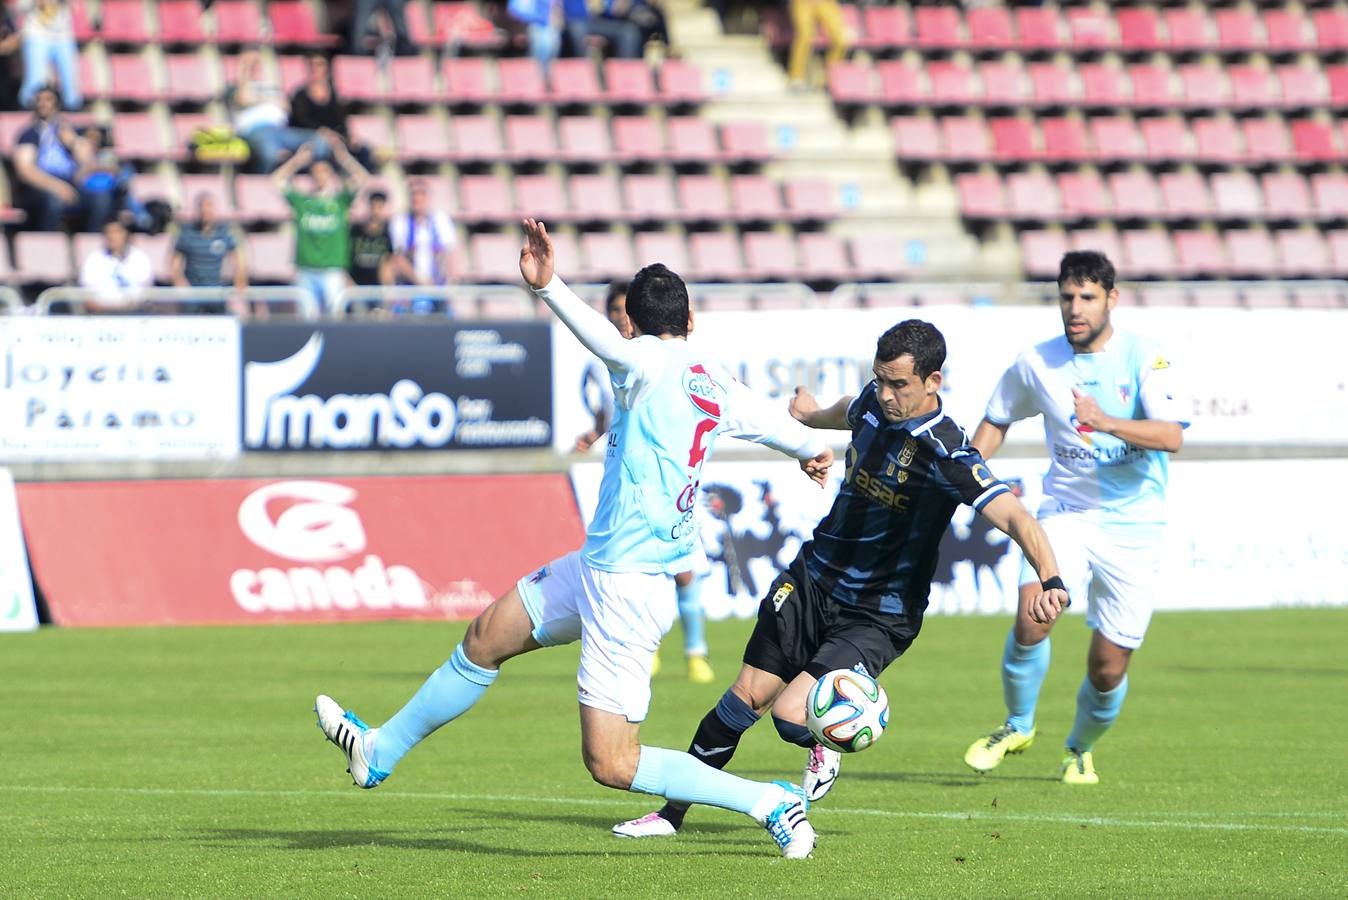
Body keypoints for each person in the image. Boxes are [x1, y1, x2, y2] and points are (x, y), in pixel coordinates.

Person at [314, 218, 835, 859]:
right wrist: (811, 452)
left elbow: (607, 345)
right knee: (484, 638)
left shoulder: (641, 358)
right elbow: (787, 431)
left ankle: (768, 801)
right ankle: (378, 751)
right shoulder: (715, 379)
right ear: (690, 319)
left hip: (627, 588)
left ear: (631, 324)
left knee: (612, 763)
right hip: (597, 568)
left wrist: (548, 286)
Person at [613, 318, 1072, 839]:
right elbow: (844, 412)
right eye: (880, 380)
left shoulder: (948, 453)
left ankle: (821, 745)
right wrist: (808, 413)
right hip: (813, 579)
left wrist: (1052, 579)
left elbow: (1016, 517)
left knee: (791, 715)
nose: (886, 394)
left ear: (932, 382)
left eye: (899, 384)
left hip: (878, 612)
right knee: (743, 699)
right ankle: (670, 816)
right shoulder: (871, 406)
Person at [961, 251, 1187, 785]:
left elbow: (1171, 436)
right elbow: (996, 420)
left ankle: (1079, 748)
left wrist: (1104, 421)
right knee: (1032, 616)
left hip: (1135, 527)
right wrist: (960, 474)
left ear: (1112, 298)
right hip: (1066, 511)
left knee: (1108, 669)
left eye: (1087, 297)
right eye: (1066, 297)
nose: (1075, 308)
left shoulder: (1145, 357)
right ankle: (1017, 724)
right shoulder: (1036, 363)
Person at [574, 281, 715, 684]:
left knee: (683, 571)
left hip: (670, 481)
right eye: (613, 311)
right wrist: (593, 437)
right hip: (625, 484)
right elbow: (610, 417)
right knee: (634, 569)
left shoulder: (667, 361)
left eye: (624, 310)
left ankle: (695, 654)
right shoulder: (606, 360)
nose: (619, 318)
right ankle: (644, 648)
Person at [273, 134, 367, 316]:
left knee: (336, 317)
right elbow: (275, 181)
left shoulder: (340, 201)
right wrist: (297, 161)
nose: (320, 177)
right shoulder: (302, 202)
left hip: (332, 269)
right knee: (307, 319)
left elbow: (363, 178)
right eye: (316, 172)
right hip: (306, 269)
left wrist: (344, 158)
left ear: (330, 175)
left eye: (324, 172)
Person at [12, 87, 112, 231]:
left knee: (100, 199)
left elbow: (88, 161)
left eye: (48, 100)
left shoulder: (70, 131)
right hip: (41, 186)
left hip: (70, 182)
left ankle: (90, 241)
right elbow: (25, 170)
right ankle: (47, 246)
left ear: (57, 104)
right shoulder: (29, 134)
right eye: (39, 100)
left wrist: (73, 141)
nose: (43, 104)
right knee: (53, 201)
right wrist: (57, 186)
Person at [230, 50, 324, 174]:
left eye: (256, 64)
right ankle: (261, 185)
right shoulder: (236, 88)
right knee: (270, 154)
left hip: (281, 131)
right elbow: (243, 99)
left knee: (320, 142)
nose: (254, 67)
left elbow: (286, 107)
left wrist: (259, 99)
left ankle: (297, 175)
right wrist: (245, 72)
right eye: (250, 65)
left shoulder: (271, 87)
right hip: (257, 132)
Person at [172, 193, 249, 315]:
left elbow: (238, 258)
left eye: (209, 206)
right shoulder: (187, 233)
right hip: (193, 293)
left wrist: (239, 281)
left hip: (217, 293)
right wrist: (180, 284)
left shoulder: (224, 233)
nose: (206, 210)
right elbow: (175, 263)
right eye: (202, 206)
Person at [389, 179, 455, 312]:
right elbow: (399, 258)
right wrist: (421, 282)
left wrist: (446, 283)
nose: (417, 198)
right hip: (410, 284)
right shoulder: (400, 221)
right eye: (414, 194)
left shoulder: (440, 220)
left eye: (421, 194)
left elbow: (449, 255)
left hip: (437, 284)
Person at [78, 219, 153, 312]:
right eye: (108, 232)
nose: (112, 236)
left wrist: (126, 308)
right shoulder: (93, 259)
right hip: (101, 315)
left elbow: (144, 293)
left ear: (126, 234)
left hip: (134, 314)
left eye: (116, 232)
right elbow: (88, 295)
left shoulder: (140, 258)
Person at [17, 0, 80, 110]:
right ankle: (28, 109)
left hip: (63, 36)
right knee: (35, 79)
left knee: (70, 82)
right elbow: (21, 6)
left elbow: (76, 8)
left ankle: (72, 112)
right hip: (36, 34)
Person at [787, 0, 849, 90]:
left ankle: (829, 78)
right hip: (802, 3)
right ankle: (796, 78)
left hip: (826, 3)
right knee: (804, 36)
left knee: (841, 41)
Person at [348, 189, 394, 290]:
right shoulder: (355, 230)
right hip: (356, 286)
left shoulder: (389, 231)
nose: (376, 211)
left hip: (378, 289)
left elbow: (389, 261)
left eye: (380, 207)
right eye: (374, 206)